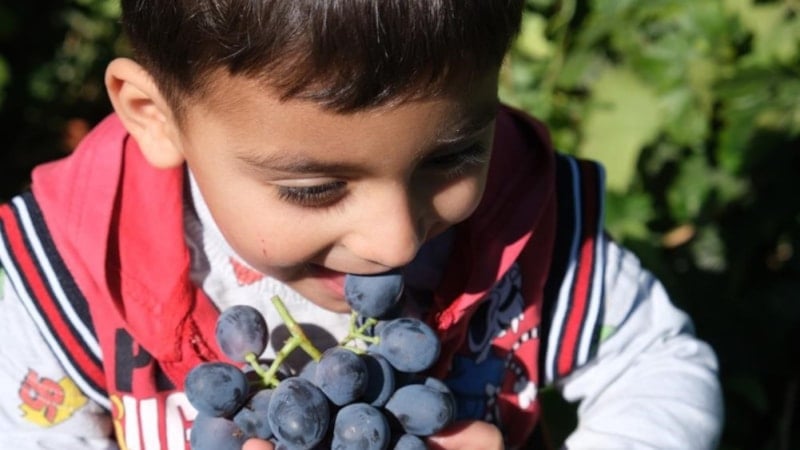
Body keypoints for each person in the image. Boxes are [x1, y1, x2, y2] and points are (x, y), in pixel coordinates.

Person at [0, 1, 723, 449]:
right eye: (314, 189)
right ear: (154, 117)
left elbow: (657, 364)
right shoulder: (68, 280)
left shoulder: (529, 225)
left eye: (452, 156)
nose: (396, 242)